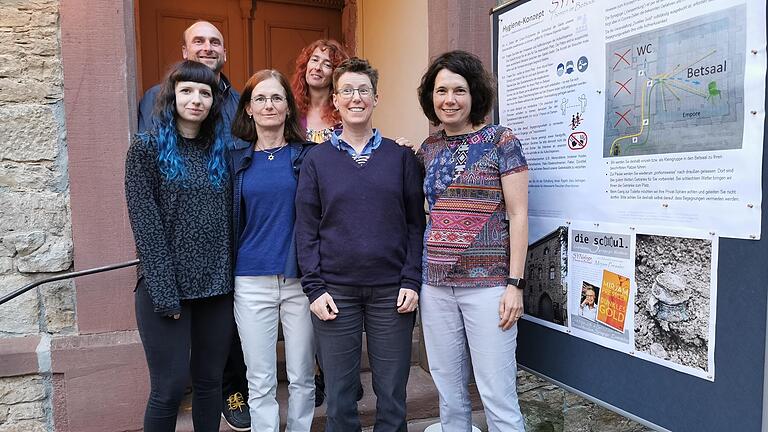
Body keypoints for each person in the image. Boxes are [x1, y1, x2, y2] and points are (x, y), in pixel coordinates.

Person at [295, 57, 425, 432]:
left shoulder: (400, 158)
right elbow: (306, 230)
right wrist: (314, 288)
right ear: (335, 100)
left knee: (392, 397)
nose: (356, 98)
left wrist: (411, 280)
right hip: (335, 293)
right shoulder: (316, 161)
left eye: (363, 90)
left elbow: (416, 224)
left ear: (375, 98)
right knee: (339, 398)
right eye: (347, 91)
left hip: (392, 293)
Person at [136, 21, 251, 430]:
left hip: (216, 289)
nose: (197, 99)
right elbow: (145, 223)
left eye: (205, 92)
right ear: (172, 95)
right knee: (167, 389)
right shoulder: (146, 149)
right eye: (187, 90)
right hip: (165, 288)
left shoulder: (221, 153)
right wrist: (165, 291)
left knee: (208, 385)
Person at [416, 50, 529, 432]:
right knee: (448, 391)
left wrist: (515, 284)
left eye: (459, 90)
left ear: (474, 94)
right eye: (441, 90)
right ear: (431, 97)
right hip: (435, 286)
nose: (450, 99)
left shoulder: (502, 140)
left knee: (497, 394)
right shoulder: (427, 149)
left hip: (489, 287)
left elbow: (518, 215)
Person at [228, 69, 316, 432]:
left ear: (288, 108)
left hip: (300, 282)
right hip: (250, 281)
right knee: (260, 379)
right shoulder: (235, 161)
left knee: (302, 376)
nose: (269, 105)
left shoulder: (309, 157)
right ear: (248, 109)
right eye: (260, 98)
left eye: (276, 97)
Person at [291, 39, 349, 144]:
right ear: (305, 65)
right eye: (314, 60)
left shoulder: (344, 113)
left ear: (335, 74)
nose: (317, 67)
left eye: (327, 64)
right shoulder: (291, 111)